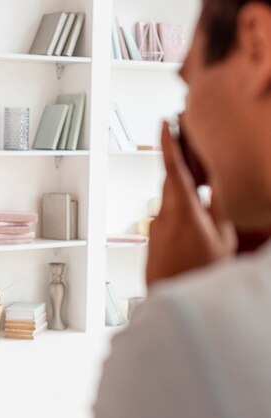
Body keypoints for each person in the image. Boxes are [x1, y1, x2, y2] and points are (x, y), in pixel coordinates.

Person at [94, 0, 271, 417]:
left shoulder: (186, 330)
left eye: (188, 84)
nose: (186, 117)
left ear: (256, 44)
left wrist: (178, 304)